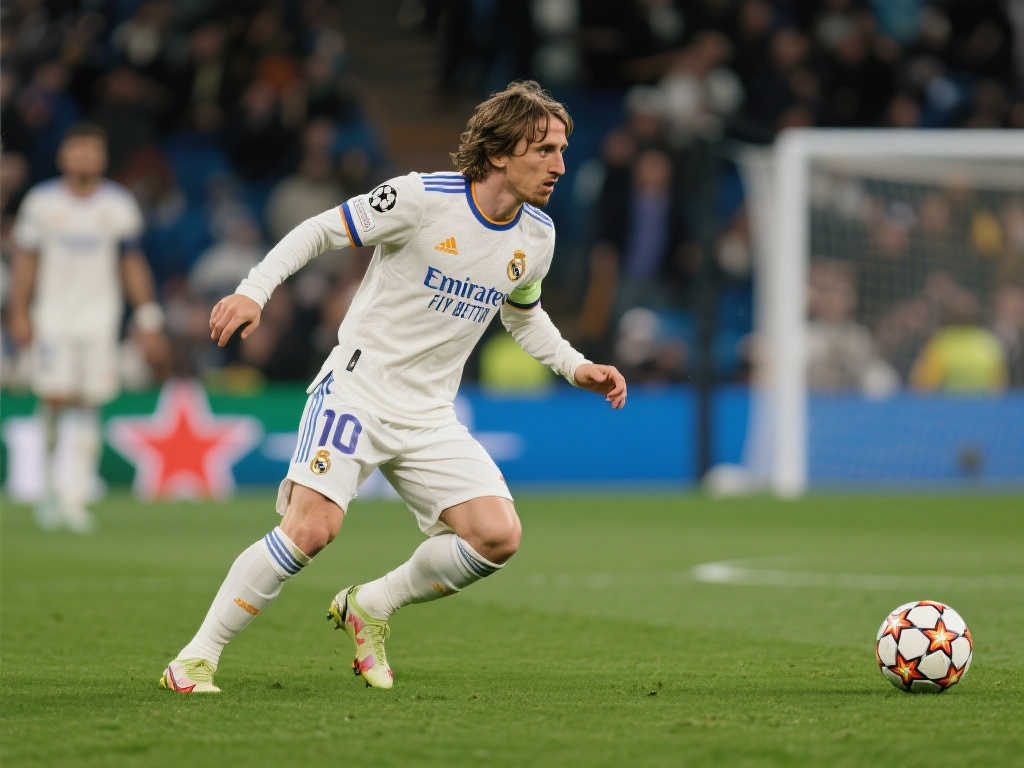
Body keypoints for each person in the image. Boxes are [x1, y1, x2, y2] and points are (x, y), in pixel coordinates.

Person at [159, 81, 627, 694]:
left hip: (430, 414)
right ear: (498, 152)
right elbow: (320, 230)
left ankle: (371, 604)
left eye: (561, 150)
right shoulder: (422, 197)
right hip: (358, 390)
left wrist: (574, 365)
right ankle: (195, 659)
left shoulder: (537, 235)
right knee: (311, 530)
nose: (560, 165)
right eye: (544, 150)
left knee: (497, 536)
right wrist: (254, 290)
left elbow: (522, 313)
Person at [9, 122, 169, 532]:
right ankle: (47, 491)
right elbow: (25, 260)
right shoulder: (41, 203)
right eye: (78, 148)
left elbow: (132, 263)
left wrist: (148, 316)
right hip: (52, 317)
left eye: (92, 149)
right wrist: (19, 311)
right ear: (63, 155)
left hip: (100, 318)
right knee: (54, 398)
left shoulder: (117, 205)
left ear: (103, 157)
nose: (85, 156)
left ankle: (76, 497)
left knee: (89, 403)